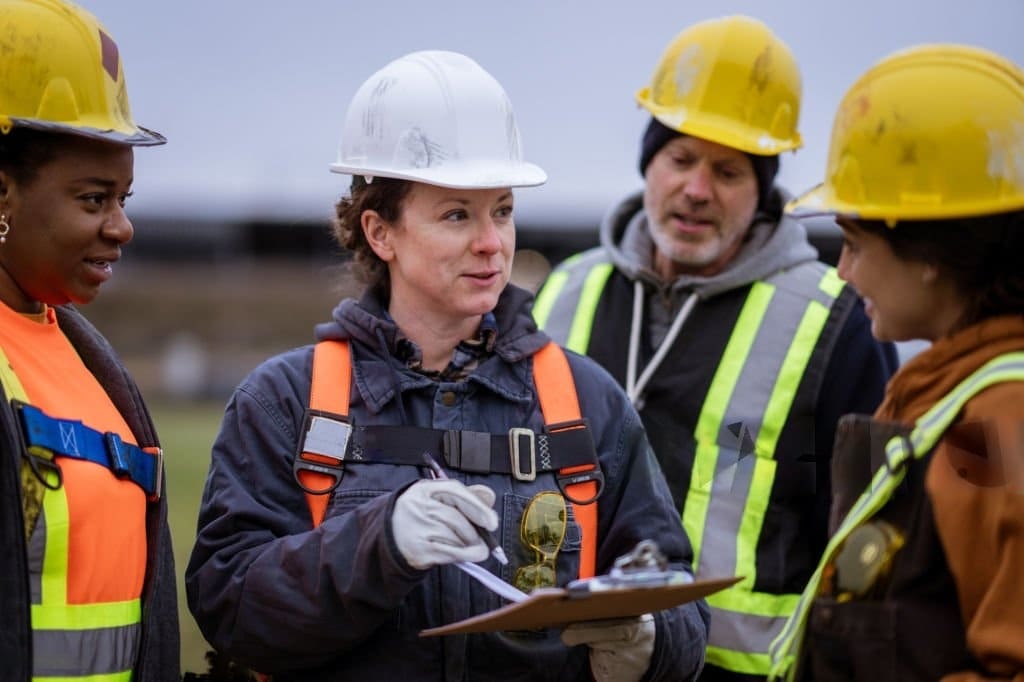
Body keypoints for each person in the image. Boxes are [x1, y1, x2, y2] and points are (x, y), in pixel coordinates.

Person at [186, 50, 710, 681]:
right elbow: (231, 609)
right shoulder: (288, 402)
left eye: (503, 210)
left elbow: (676, 592)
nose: (492, 242)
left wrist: (650, 643)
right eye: (457, 214)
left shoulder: (585, 401)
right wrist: (379, 544)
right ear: (380, 233)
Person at [533, 15, 899, 681]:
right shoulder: (562, 292)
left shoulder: (837, 322)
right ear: (649, 164)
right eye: (679, 159)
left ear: (763, 191)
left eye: (728, 171)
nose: (697, 190)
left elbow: (871, 536)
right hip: (560, 662)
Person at [768, 43, 1024, 681]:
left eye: (854, 242)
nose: (843, 270)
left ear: (930, 249)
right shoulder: (952, 394)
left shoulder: (996, 424)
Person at [0, 0, 179, 679]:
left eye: (124, 200)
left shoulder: (93, 366)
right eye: (93, 199)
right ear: (2, 194)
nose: (121, 227)